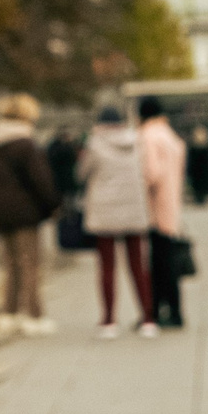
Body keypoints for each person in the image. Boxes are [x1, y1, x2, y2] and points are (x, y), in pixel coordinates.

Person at [0, 94, 61, 336]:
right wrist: (52, 205)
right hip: (25, 213)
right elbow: (41, 181)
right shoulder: (26, 145)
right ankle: (34, 315)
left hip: (1, 214)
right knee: (30, 264)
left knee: (11, 264)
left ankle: (9, 313)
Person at [76, 105, 157, 338]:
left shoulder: (94, 144)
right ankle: (148, 319)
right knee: (138, 266)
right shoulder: (137, 142)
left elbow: (82, 174)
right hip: (133, 208)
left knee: (107, 267)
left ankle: (109, 320)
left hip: (105, 211)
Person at [141, 97, 190, 330]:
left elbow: (151, 172)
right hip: (171, 204)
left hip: (155, 207)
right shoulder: (171, 136)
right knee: (167, 260)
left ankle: (162, 310)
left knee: (159, 263)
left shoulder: (149, 136)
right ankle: (174, 310)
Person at [184, 124, 208, 206]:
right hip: (196, 174)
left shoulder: (207, 149)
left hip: (204, 174)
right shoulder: (193, 150)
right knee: (198, 189)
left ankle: (202, 197)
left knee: (202, 189)